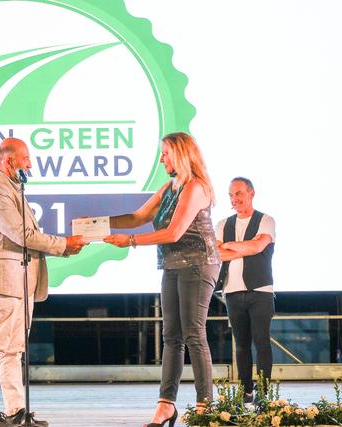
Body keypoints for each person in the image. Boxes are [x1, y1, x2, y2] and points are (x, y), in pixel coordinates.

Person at [101, 132, 220, 426]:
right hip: (172, 265)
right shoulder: (170, 186)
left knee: (194, 333)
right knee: (171, 337)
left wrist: (130, 241)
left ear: (180, 154)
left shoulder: (196, 187)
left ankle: (205, 405)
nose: (161, 159)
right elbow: (138, 217)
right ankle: (166, 405)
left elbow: (173, 232)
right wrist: (97, 224)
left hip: (198, 264)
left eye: (165, 153)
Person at [0, 137, 86, 427]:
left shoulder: (13, 188)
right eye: (26, 159)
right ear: (8, 160)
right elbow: (21, 234)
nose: (30, 165)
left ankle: (16, 411)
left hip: (19, 282)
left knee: (13, 351)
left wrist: (64, 245)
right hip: (2, 282)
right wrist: (63, 244)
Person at [215, 177, 275, 404]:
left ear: (251, 193)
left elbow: (258, 246)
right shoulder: (223, 224)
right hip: (232, 290)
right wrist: (245, 248)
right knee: (241, 344)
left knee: (261, 341)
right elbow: (217, 253)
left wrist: (230, 245)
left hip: (260, 290)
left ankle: (264, 391)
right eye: (231, 195)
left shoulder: (266, 220)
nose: (234, 199)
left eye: (238, 193)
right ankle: (245, 390)